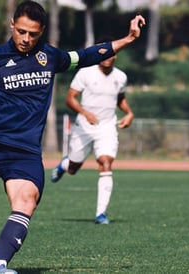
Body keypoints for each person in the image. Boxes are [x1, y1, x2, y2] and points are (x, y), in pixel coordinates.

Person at [0, 1, 145, 272]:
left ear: (41, 31)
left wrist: (128, 39)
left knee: (26, 201)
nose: (26, 39)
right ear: (12, 25)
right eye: (21, 31)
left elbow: (87, 55)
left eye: (33, 34)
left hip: (25, 152)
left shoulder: (50, 57)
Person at [50, 38, 135, 225]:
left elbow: (120, 98)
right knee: (74, 168)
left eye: (111, 53)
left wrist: (129, 113)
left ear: (116, 56)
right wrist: (85, 112)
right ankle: (64, 165)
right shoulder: (85, 73)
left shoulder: (121, 77)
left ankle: (101, 214)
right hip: (84, 126)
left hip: (107, 127)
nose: (107, 56)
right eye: (104, 52)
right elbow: (70, 98)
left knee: (106, 162)